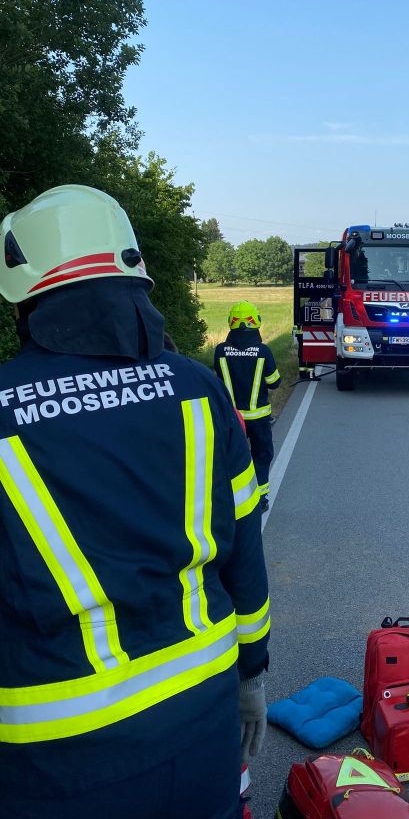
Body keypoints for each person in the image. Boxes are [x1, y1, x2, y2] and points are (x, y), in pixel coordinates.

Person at [0, 185, 270, 819]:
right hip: (203, 720)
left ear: (26, 297)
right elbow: (246, 555)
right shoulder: (198, 390)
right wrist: (251, 675)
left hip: (57, 760)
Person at [213, 302, 281, 513]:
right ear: (256, 322)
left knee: (232, 457)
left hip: (230, 418)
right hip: (259, 419)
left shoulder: (220, 350)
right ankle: (260, 499)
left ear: (231, 323)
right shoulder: (263, 351)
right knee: (261, 456)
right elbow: (275, 382)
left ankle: (233, 499)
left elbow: (219, 379)